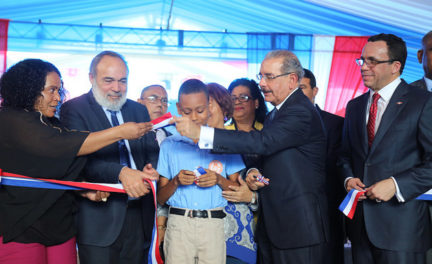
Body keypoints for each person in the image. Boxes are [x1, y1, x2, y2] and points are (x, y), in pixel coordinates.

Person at [174, 50, 329, 264]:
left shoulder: (299, 111)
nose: (263, 83)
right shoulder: (277, 113)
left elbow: (261, 142)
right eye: (261, 76)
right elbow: (268, 157)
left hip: (297, 228)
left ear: (292, 80)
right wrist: (255, 172)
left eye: (269, 77)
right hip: (274, 226)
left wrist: (202, 133)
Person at [0, 59, 153, 264]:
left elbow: (55, 169)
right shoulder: (10, 120)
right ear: (30, 88)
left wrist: (84, 190)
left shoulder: (51, 122)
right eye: (51, 90)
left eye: (59, 90)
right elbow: (62, 145)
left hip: (59, 226)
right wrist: (120, 132)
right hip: (18, 227)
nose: (57, 97)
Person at [339, 33, 432, 264]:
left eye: (373, 61)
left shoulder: (423, 102)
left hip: (403, 230)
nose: (364, 67)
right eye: (362, 60)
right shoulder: (354, 106)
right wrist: (348, 178)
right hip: (360, 230)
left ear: (395, 66)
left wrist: (396, 185)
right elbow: (343, 155)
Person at [60, 51, 159, 264]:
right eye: (109, 80)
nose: (117, 88)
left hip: (139, 215)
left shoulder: (138, 110)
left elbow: (149, 150)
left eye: (122, 81)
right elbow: (79, 161)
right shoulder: (74, 109)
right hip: (99, 219)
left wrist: (151, 169)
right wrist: (122, 173)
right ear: (91, 78)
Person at [156, 79, 246, 264]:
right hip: (179, 224)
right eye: (187, 112)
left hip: (213, 224)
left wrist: (219, 180)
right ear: (179, 108)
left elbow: (238, 189)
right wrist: (175, 182)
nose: (195, 117)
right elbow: (160, 198)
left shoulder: (225, 142)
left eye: (200, 110)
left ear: (209, 106)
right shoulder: (170, 145)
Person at [207, 82, 257, 264]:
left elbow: (245, 186)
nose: (204, 110)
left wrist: (219, 180)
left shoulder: (234, 142)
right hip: (193, 234)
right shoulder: (182, 143)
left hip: (234, 233)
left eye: (209, 103)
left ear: (225, 109)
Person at [300, 68, 345, 264]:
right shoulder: (274, 122)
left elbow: (337, 166)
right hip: (288, 214)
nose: (297, 93)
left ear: (315, 90)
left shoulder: (335, 123)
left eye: (302, 87)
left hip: (326, 212)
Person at [137, 84, 172, 261]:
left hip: (168, 217)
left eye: (164, 100)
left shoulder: (172, 137)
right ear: (139, 102)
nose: (160, 104)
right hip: (136, 214)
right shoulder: (127, 134)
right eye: (153, 98)